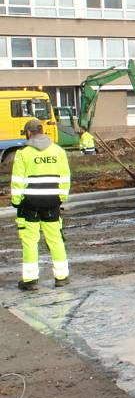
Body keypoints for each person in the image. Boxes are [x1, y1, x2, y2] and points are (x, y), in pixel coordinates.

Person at [10, 119, 70, 291]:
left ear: (29, 133)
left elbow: (17, 181)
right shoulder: (58, 151)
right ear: (42, 131)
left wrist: (16, 202)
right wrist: (61, 198)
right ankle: (61, 277)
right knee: (55, 240)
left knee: (30, 241)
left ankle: (30, 280)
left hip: (30, 203)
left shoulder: (23, 153)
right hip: (52, 202)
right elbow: (65, 178)